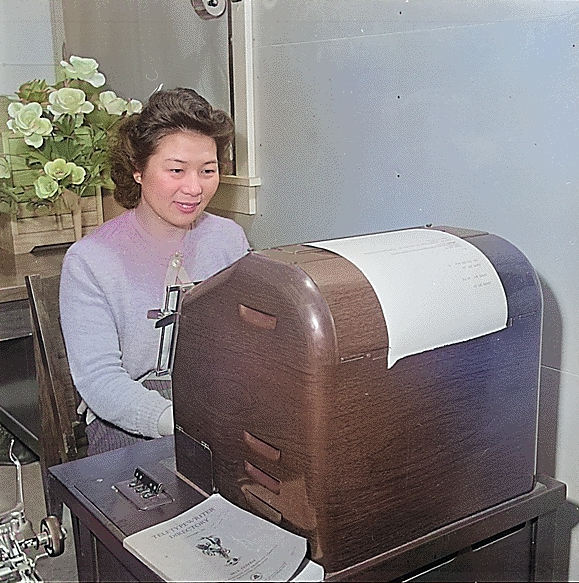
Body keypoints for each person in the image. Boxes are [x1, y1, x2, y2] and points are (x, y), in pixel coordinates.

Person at [59, 88, 249, 455]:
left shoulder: (229, 239)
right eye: (176, 170)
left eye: (207, 171)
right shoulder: (90, 261)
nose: (194, 188)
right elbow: (99, 380)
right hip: (126, 416)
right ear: (138, 170)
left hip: (214, 401)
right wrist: (175, 420)